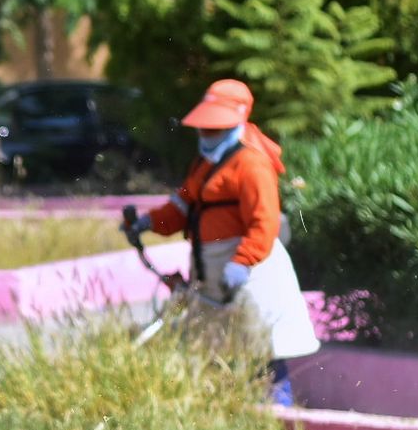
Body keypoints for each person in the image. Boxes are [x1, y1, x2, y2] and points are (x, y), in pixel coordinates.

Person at [122, 79, 319, 403]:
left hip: (251, 274)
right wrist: (148, 222)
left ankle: (278, 418)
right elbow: (182, 207)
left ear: (238, 121)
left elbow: (264, 222)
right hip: (214, 275)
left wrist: (241, 262)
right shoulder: (205, 164)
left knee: (263, 353)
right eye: (205, 128)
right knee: (218, 352)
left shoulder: (252, 165)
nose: (208, 134)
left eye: (215, 128)